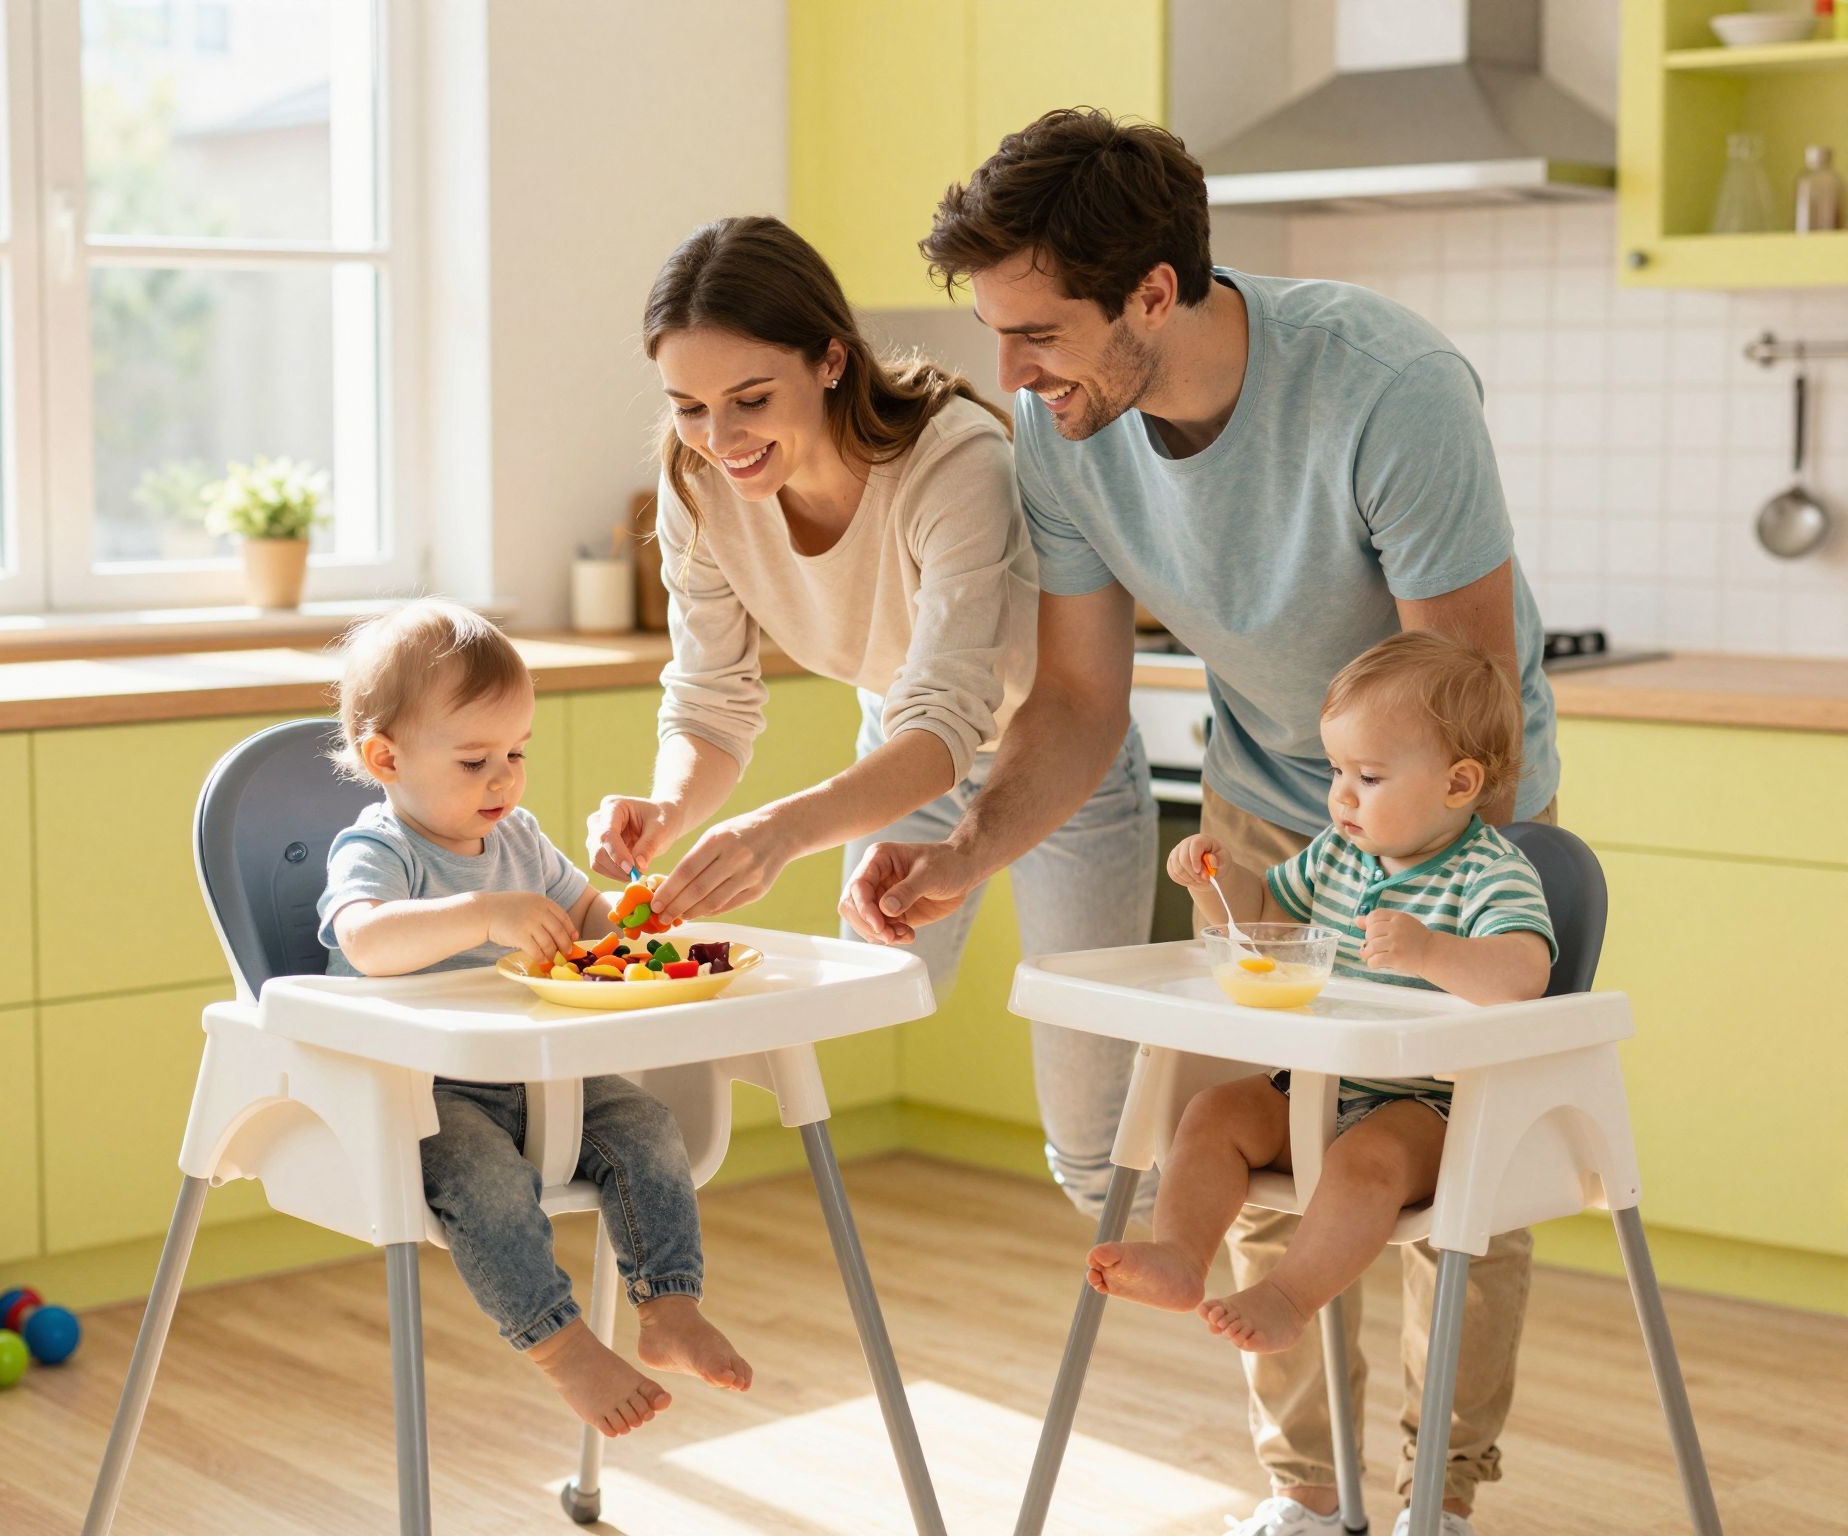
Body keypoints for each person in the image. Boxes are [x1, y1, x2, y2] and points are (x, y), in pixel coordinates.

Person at [842, 110, 1562, 1536]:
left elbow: (1462, 698)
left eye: (1039, 331)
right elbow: (1078, 704)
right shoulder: (1068, 433)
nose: (1013, 374)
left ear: (1154, 294)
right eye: (997, 334)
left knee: (1450, 1160)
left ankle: (1438, 1495)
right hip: (1261, 804)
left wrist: (1395, 890)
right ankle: (1305, 1491)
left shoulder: (1384, 386)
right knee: (1258, 1154)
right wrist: (966, 849)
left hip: (1454, 817)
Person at [584, 215, 1158, 1214]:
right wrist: (670, 805)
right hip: (896, 759)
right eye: (688, 407)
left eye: (749, 399)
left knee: (1095, 1150)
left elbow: (946, 715)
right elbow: (711, 700)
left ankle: (1219, 1266)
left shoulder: (952, 464)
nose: (720, 440)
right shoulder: (698, 489)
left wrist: (781, 830)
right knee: (856, 1004)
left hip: (1053, 764)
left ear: (831, 361)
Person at [316, 600, 750, 1441]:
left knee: (649, 1128)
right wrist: (483, 915)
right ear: (385, 757)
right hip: (423, 1095)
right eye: (476, 759)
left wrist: (633, 916)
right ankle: (562, 1348)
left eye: (516, 753)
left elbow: (585, 919)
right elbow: (365, 941)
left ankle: (670, 1306)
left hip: (544, 1077)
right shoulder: (377, 848)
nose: (504, 779)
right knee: (484, 1184)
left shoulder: (519, 839)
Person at [1090, 632, 1554, 1363]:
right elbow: (1269, 925)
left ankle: (1286, 1297)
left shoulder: (1491, 873)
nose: (1341, 794)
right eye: (1336, 769)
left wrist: (1433, 952)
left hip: (1430, 1108)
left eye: (1368, 776)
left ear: (1458, 785)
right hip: (1313, 1088)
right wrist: (1218, 881)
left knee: (1364, 1161)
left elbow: (1525, 973)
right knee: (1212, 1113)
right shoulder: (1340, 854)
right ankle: (1180, 1253)